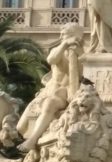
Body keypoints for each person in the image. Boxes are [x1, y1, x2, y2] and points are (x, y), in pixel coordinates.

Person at [17, 23, 84, 152]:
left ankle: (33, 140)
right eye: (61, 34)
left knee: (50, 103)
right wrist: (64, 44)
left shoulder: (82, 53)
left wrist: (78, 54)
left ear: (75, 36)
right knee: (20, 127)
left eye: (64, 34)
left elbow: (85, 71)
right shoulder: (58, 50)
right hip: (48, 90)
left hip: (64, 92)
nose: (61, 36)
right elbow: (51, 59)